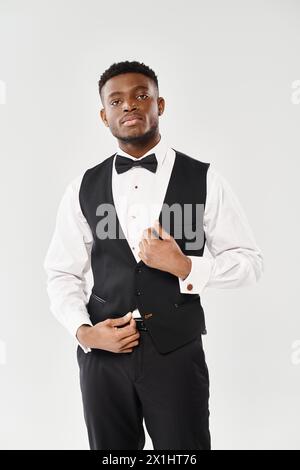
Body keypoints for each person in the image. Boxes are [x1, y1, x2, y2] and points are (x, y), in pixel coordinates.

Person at [44, 60, 264, 450]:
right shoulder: (82, 186)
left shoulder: (205, 178)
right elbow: (61, 273)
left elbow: (249, 263)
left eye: (140, 95)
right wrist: (85, 333)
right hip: (103, 355)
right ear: (104, 115)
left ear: (160, 105)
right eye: (116, 101)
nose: (129, 106)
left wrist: (185, 266)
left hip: (177, 354)